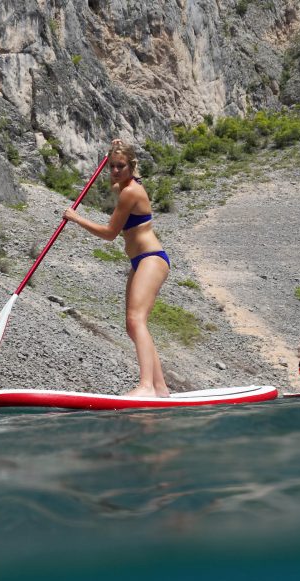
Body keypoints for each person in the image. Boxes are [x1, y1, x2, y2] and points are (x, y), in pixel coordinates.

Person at [63, 139, 170, 398]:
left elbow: (111, 233)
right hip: (139, 261)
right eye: (111, 166)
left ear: (132, 166)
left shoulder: (130, 192)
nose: (115, 171)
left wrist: (76, 218)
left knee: (137, 320)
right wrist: (114, 150)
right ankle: (160, 389)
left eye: (121, 166)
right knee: (132, 325)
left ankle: (146, 387)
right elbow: (119, 175)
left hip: (151, 258)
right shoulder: (123, 185)